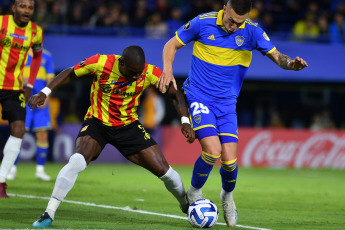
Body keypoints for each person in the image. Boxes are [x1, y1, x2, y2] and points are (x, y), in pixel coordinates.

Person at [157, 0, 308, 227]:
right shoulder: (203, 22)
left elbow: (278, 57)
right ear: (225, 8)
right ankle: (194, 193)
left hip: (227, 104)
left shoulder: (253, 31)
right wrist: (168, 71)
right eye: (231, 21)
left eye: (240, 23)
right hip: (199, 97)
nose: (234, 27)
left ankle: (227, 196)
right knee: (213, 151)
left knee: (229, 162)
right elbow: (171, 45)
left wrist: (290, 65)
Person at [29, 45, 195, 228]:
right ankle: (48, 213)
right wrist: (45, 92)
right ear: (121, 63)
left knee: (168, 174)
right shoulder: (102, 62)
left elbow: (175, 93)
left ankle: (186, 207)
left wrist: (185, 120)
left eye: (138, 73)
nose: (135, 77)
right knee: (77, 161)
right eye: (132, 73)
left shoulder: (148, 72)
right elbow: (70, 72)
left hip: (128, 126)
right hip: (97, 123)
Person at [0, 0, 43, 198]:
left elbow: (36, 57)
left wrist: (29, 86)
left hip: (14, 88)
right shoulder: (1, 23)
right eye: (22, 6)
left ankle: (1, 181)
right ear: (14, 8)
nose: (27, 10)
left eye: (30, 7)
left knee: (19, 129)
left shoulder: (36, 32)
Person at [7, 48, 55, 181]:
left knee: (43, 135)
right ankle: (12, 169)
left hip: (41, 101)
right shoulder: (18, 54)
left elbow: (50, 80)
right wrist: (21, 80)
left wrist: (47, 98)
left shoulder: (47, 56)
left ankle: (40, 170)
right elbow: (10, 75)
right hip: (23, 100)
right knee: (18, 134)